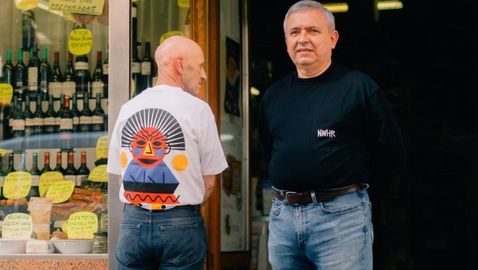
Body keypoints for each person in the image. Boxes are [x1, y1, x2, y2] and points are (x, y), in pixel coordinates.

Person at [257, 1, 406, 269]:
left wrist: (356, 196)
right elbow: (270, 151)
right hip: (283, 219)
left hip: (342, 220)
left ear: (333, 38)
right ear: (286, 41)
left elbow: (391, 152)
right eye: (294, 32)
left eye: (312, 30)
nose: (302, 39)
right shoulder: (273, 97)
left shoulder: (359, 89)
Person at [107, 36, 228, 270]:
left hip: (133, 223)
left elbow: (122, 176)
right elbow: (210, 183)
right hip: (181, 225)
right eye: (200, 66)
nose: (203, 75)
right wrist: (178, 207)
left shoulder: (128, 108)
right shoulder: (199, 110)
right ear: (180, 65)